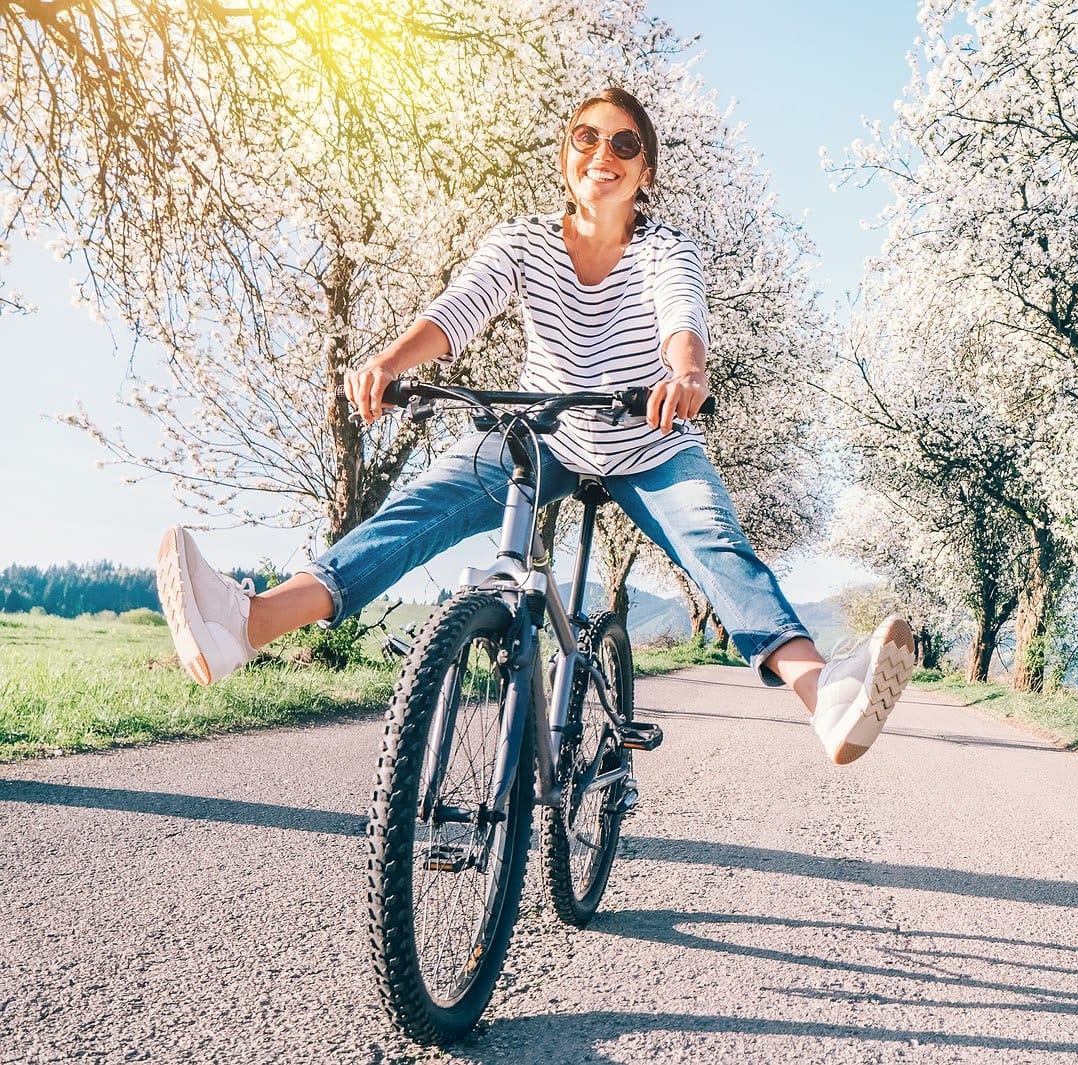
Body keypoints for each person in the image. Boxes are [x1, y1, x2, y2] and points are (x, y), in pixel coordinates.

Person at [156, 87, 914, 765]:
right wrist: (388, 361)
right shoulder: (522, 242)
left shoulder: (664, 249)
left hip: (648, 441)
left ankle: (826, 696)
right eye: (587, 138)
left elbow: (681, 318)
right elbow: (459, 308)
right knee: (417, 511)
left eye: (624, 144)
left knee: (716, 545)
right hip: (543, 434)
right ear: (565, 159)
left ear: (644, 171)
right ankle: (247, 624)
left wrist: (686, 375)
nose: (603, 154)